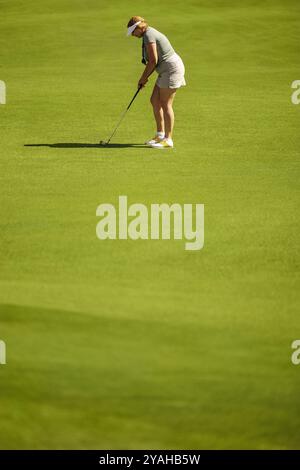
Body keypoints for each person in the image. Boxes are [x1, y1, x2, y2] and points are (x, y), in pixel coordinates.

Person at [126, 16, 186, 149]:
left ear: (138, 28)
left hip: (171, 70)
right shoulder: (147, 34)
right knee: (155, 100)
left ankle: (168, 139)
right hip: (165, 70)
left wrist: (143, 78)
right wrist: (144, 77)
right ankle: (160, 135)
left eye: (133, 32)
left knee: (166, 104)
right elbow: (153, 61)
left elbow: (153, 60)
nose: (132, 35)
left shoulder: (149, 35)